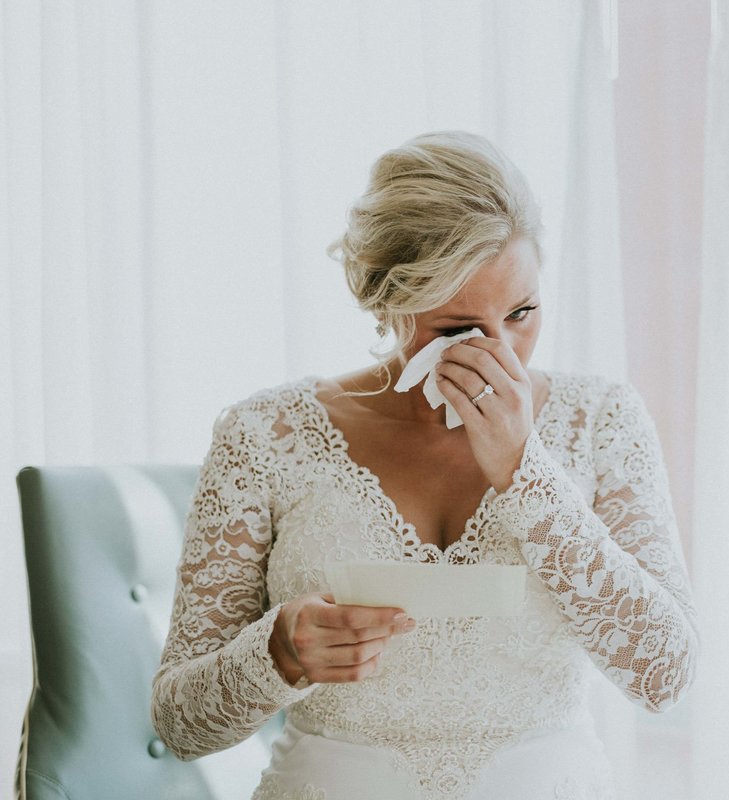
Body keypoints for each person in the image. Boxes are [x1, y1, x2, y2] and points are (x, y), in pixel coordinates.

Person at [150, 131, 700, 800]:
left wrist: (526, 472)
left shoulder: (602, 419)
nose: (503, 354)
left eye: (523, 313)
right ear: (389, 303)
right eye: (457, 330)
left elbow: (664, 673)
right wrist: (278, 654)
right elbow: (179, 725)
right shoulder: (265, 435)